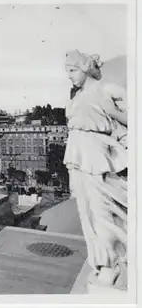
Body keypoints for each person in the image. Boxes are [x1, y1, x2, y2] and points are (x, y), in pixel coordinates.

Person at [63, 49, 128, 291]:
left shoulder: (104, 89)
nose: (69, 75)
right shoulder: (78, 95)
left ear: (84, 68)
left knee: (103, 213)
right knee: (88, 214)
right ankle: (101, 262)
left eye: (72, 70)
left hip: (97, 156)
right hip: (79, 158)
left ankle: (111, 264)